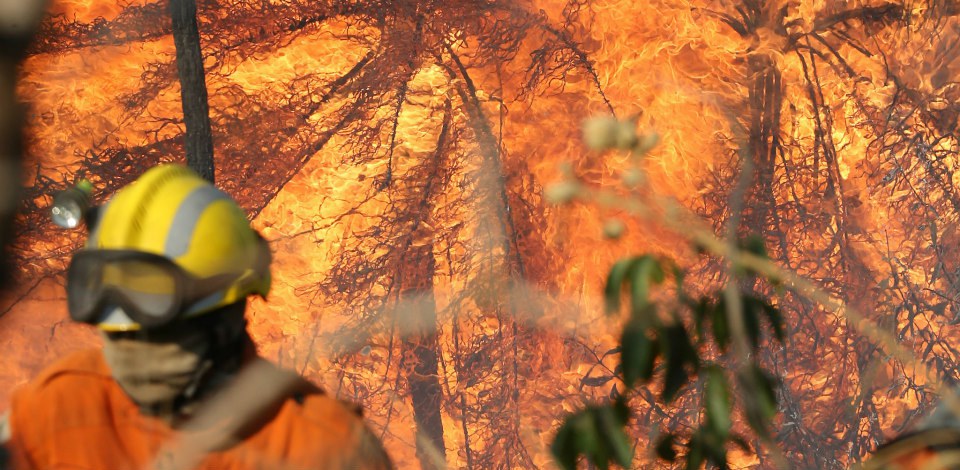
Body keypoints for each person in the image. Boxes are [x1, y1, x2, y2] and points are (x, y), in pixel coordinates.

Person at [1, 164, 393, 469]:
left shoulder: (322, 450)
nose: (131, 346)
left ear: (225, 315)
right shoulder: (54, 410)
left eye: (159, 327)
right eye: (116, 327)